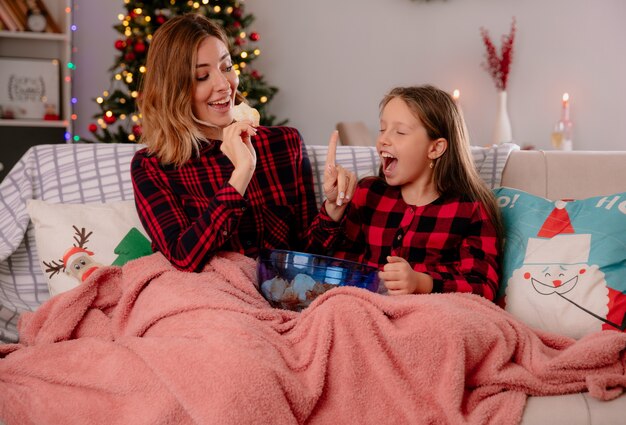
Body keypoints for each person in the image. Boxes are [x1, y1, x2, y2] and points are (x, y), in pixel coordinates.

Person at [131, 13, 355, 272]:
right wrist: (241, 174)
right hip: (213, 303)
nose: (224, 84)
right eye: (202, 76)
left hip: (282, 302)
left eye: (226, 67)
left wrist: (332, 209)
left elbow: (304, 256)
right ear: (175, 90)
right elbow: (184, 258)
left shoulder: (284, 144)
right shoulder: (152, 167)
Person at [327, 85, 503, 301]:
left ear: (435, 148)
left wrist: (422, 282)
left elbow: (483, 287)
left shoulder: (470, 209)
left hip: (427, 318)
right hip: (363, 310)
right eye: (382, 129)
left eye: (400, 132)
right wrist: (334, 208)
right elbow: (324, 266)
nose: (383, 139)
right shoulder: (368, 194)